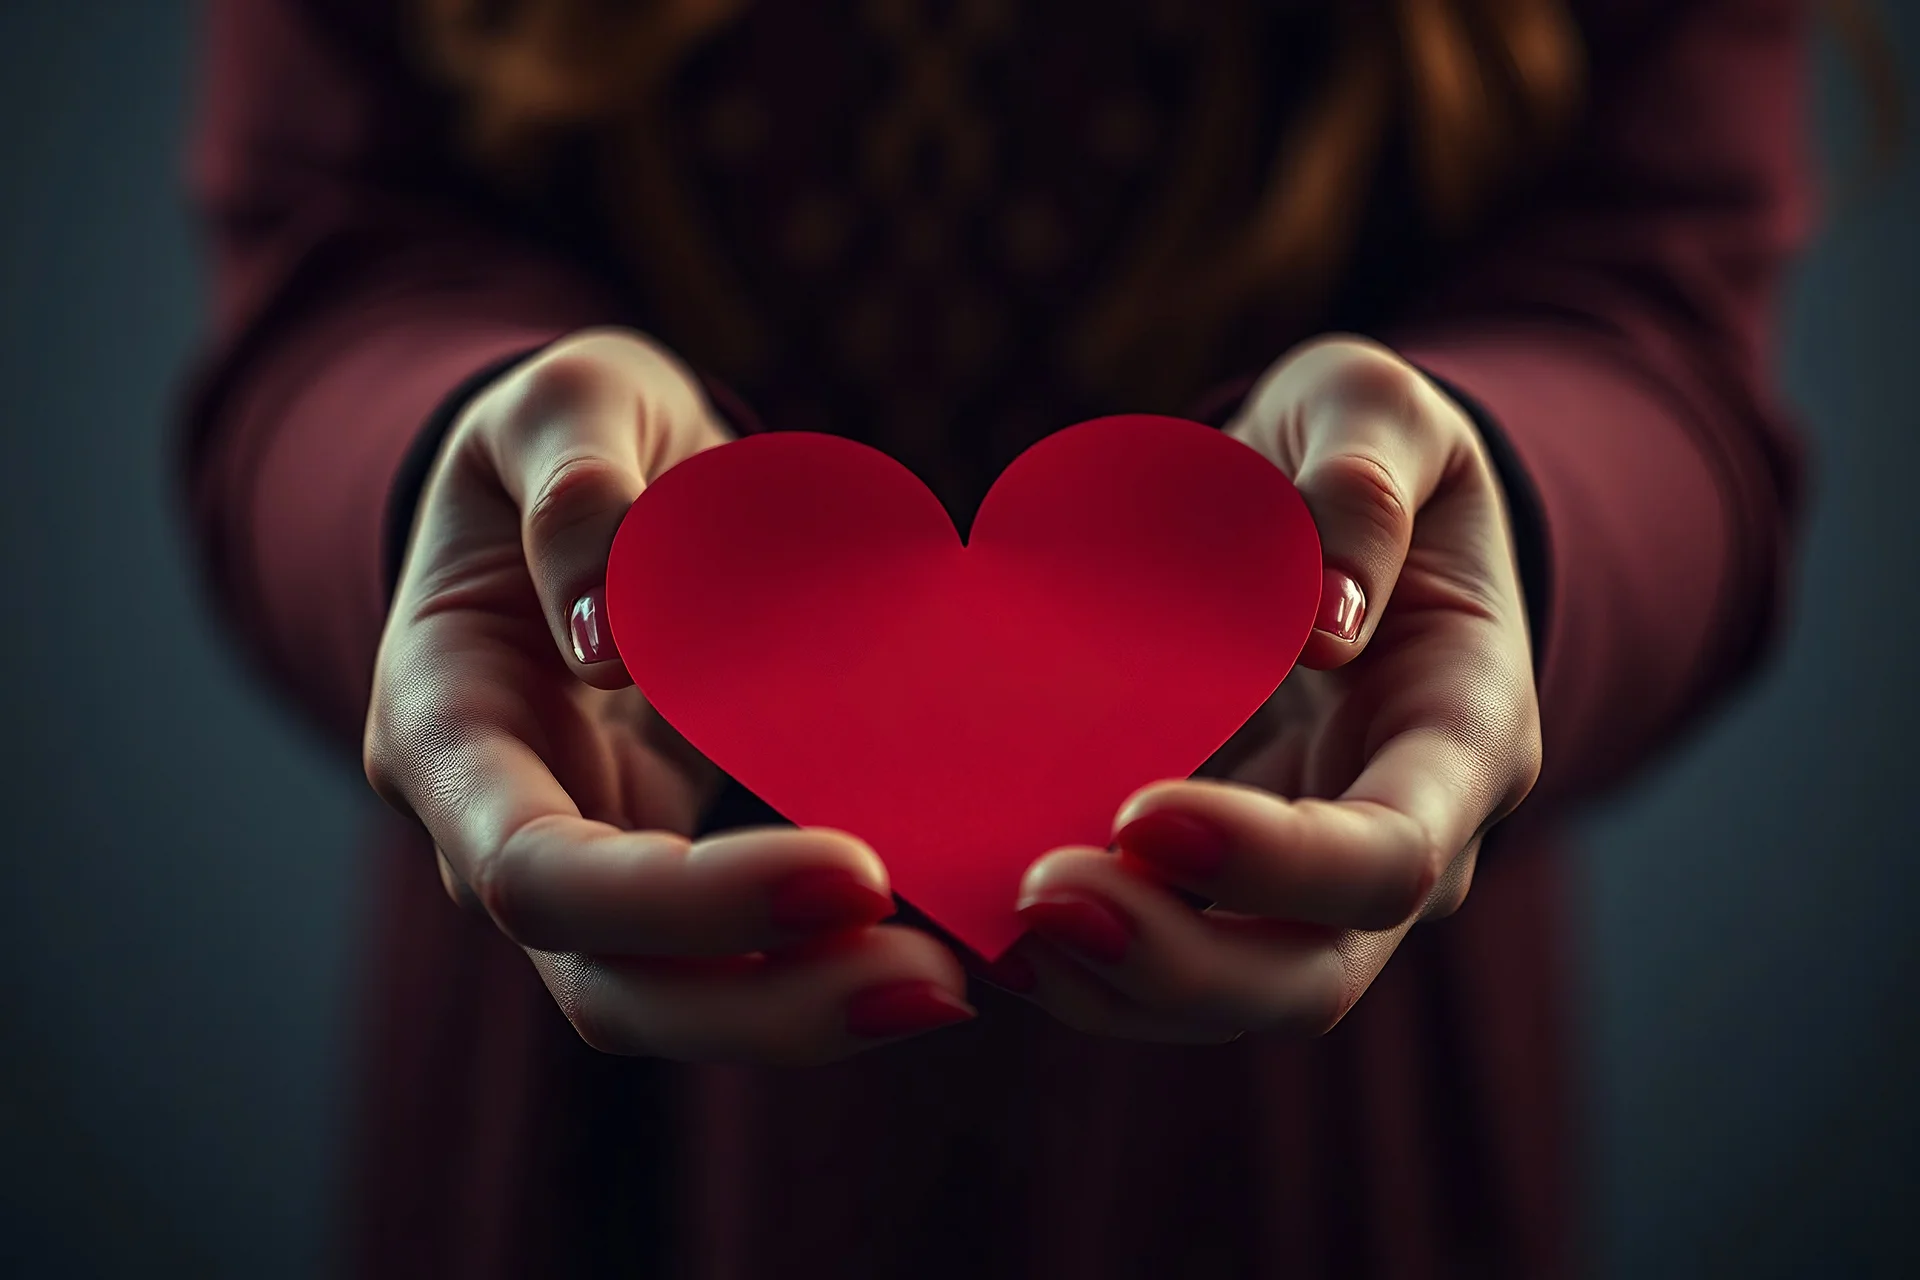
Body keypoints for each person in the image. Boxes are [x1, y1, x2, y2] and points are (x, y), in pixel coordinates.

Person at [175, 0, 1814, 1275]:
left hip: (1317, 1072)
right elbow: (327, 260)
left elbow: (1660, 304)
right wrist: (448, 481)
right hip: (599, 1076)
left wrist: (1499, 513)